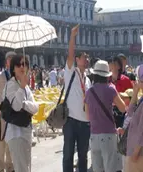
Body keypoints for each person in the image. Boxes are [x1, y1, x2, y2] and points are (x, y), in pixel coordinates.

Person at [85, 60, 126, 172]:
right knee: (111, 168)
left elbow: (87, 116)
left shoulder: (89, 92)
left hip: (94, 135)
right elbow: (123, 108)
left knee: (98, 169)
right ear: (106, 75)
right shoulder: (110, 89)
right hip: (108, 134)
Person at [63, 24, 91, 172]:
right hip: (71, 121)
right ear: (77, 59)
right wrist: (72, 36)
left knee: (83, 156)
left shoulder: (87, 79)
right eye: (84, 57)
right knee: (68, 155)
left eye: (87, 58)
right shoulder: (70, 72)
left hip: (85, 123)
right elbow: (70, 54)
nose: (86, 60)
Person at [2, 54, 38, 172]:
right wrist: (22, 88)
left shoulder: (26, 87)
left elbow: (35, 108)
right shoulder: (10, 84)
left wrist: (24, 104)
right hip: (15, 133)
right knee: (22, 168)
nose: (22, 67)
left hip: (26, 131)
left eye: (25, 64)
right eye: (18, 64)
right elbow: (16, 107)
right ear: (13, 68)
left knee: (26, 167)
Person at [124, 64, 143, 172]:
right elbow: (130, 112)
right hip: (134, 150)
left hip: (138, 153)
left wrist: (135, 153)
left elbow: (142, 130)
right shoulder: (141, 99)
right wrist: (135, 93)